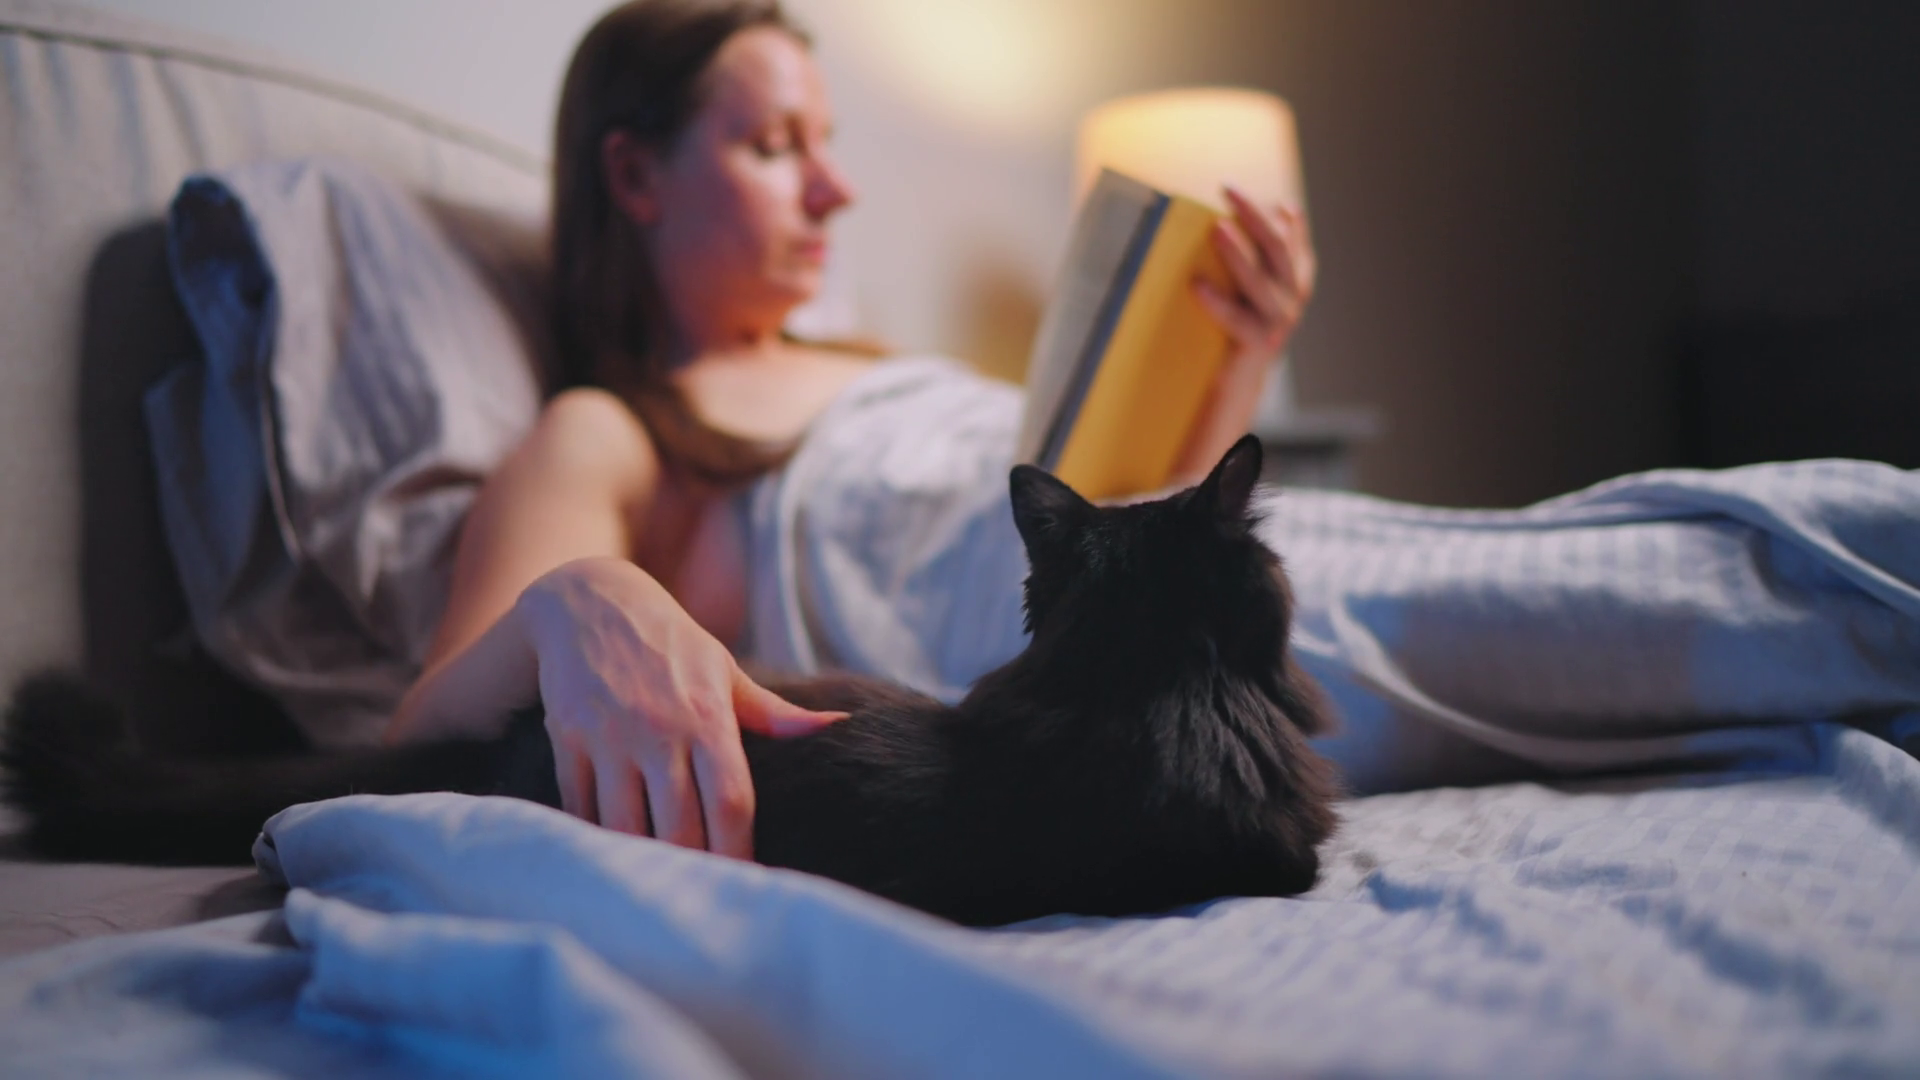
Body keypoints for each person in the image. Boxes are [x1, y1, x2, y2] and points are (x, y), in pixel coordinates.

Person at [382, 0, 1318, 858]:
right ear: (634, 174)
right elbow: (424, 742)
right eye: (776, 146)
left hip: (1230, 609)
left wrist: (1243, 353)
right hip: (1162, 683)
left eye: (825, 144)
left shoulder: (876, 362)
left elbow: (1145, 528)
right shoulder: (609, 430)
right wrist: (579, 597)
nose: (836, 188)